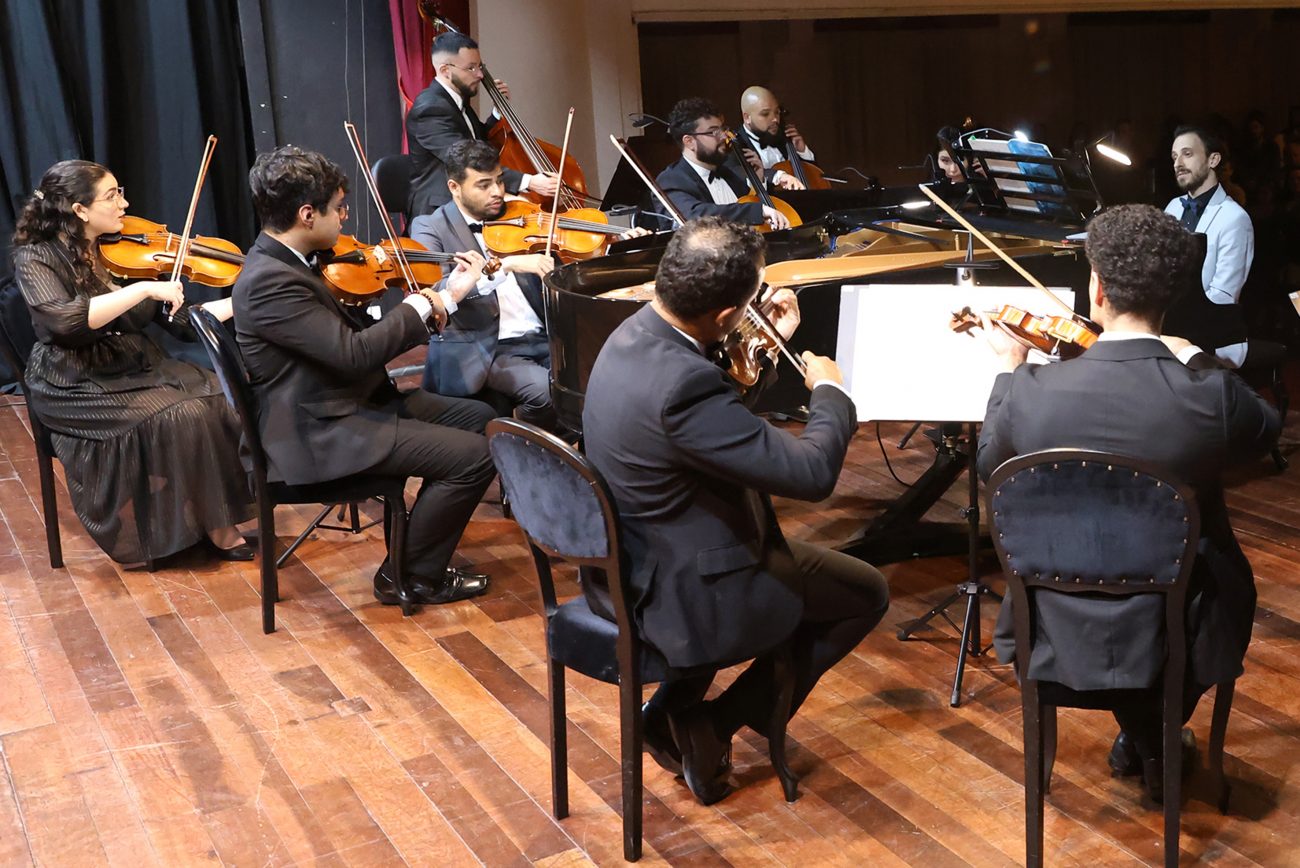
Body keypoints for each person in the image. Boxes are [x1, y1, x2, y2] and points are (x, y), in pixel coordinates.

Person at [978, 204, 1280, 802]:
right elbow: (1266, 425)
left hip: (1053, 624)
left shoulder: (1029, 395)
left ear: (1095, 286)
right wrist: (1193, 356)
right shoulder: (1209, 396)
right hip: (1179, 628)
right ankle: (1157, 730)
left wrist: (1009, 371)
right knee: (1207, 571)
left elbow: (991, 466)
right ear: (1171, 295)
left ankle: (1148, 735)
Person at [582, 217, 890, 805]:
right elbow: (811, 475)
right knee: (864, 594)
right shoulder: (683, 384)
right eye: (748, 303)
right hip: (684, 584)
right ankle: (711, 724)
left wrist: (756, 347)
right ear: (724, 314)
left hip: (634, 556)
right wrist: (831, 393)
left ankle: (668, 715)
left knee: (818, 581)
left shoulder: (634, 334)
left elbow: (710, 428)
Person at [232, 145, 496, 606]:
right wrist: (425, 304)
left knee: (480, 419)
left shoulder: (291, 263)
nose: (346, 218)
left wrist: (433, 302)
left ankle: (410, 553)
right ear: (307, 214)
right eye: (340, 209)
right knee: (473, 458)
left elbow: (340, 347)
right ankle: (411, 576)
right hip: (319, 430)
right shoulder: (269, 282)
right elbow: (353, 355)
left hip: (347, 400)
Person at [10, 159, 253, 565]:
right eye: (113, 195)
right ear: (79, 209)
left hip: (130, 365)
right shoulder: (36, 257)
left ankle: (210, 513)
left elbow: (184, 322)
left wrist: (248, 298)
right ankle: (206, 524)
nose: (125, 203)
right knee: (183, 414)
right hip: (73, 381)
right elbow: (65, 320)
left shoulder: (119, 250)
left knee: (218, 395)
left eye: (120, 192)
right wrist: (142, 289)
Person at [410, 140, 646, 431]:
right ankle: (527, 451)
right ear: (454, 187)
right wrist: (505, 266)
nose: (497, 192)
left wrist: (612, 244)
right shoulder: (429, 226)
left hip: (543, 336)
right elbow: (438, 289)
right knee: (548, 394)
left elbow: (568, 265)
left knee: (610, 379)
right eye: (483, 185)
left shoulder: (521, 217)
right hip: (486, 348)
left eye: (499, 181)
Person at [405, 31, 560, 217]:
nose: (479, 74)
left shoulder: (456, 101)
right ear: (446, 70)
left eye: (480, 66)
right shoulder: (429, 109)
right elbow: (467, 159)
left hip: (472, 200)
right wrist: (528, 182)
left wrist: (497, 113)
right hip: (441, 209)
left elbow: (477, 141)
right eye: (471, 68)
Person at [1162, 125, 1255, 367]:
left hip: (1215, 336)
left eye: (1187, 154)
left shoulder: (1235, 218)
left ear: (1213, 159)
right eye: (1174, 157)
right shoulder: (1173, 207)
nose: (1178, 163)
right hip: (1173, 325)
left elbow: (1224, 295)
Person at [655, 97, 792, 230]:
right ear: (689, 141)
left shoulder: (726, 173)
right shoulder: (671, 180)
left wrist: (758, 180)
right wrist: (757, 211)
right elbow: (694, 216)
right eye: (714, 132)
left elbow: (749, 206)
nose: (724, 136)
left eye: (722, 129)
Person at [738, 86, 812, 191]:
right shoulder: (735, 145)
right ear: (747, 117)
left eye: (777, 112)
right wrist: (778, 176)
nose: (774, 119)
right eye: (765, 114)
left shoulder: (784, 138)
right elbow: (739, 174)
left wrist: (802, 151)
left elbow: (814, 177)